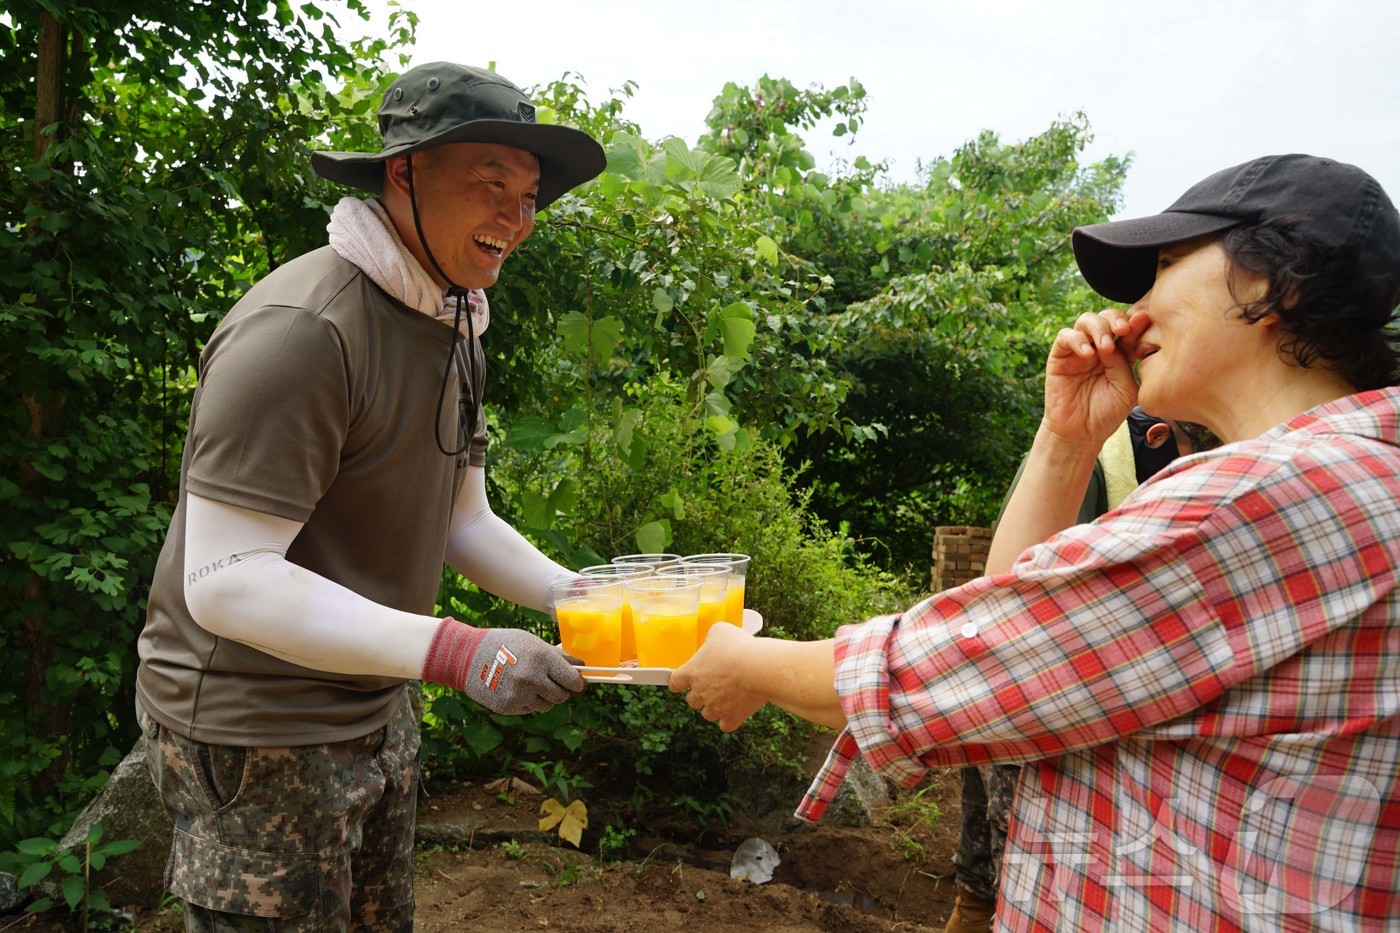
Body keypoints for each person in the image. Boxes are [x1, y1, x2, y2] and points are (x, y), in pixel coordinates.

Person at [671, 154, 1400, 929]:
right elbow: (1017, 610)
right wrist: (1067, 438)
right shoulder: (1348, 473)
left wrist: (742, 660)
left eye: (1165, 266)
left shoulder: (1266, 495)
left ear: (1270, 282)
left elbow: (968, 659)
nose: (1137, 308)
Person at [135, 62, 605, 930]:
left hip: (377, 701)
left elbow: (465, 520)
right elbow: (228, 576)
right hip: (255, 730)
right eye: (490, 184)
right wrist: (462, 652)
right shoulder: (305, 332)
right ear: (403, 173)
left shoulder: (455, 317)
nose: (516, 217)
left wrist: (582, 596)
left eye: (531, 195)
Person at [946, 407, 1199, 933]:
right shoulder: (1095, 466)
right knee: (1011, 842)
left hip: (1041, 680)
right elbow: (1018, 607)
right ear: (1162, 437)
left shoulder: (1126, 454)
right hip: (1033, 685)